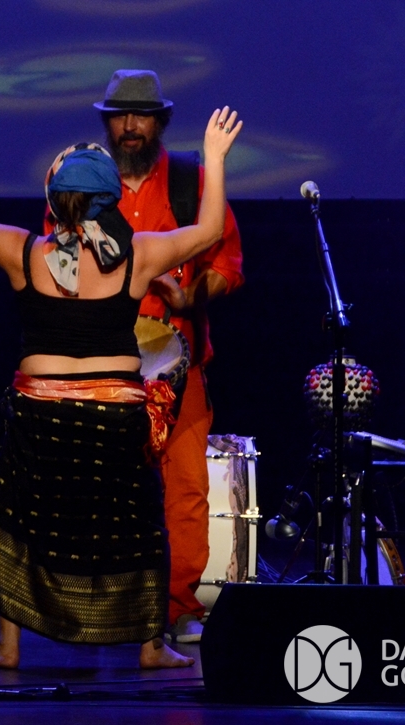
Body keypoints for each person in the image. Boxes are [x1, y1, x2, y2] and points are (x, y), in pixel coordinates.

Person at [0, 102, 241, 668]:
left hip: (40, 415)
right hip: (113, 416)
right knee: (139, 523)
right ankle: (151, 648)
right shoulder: (137, 255)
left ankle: (9, 646)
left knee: (17, 520)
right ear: (109, 199)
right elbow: (210, 231)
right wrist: (214, 156)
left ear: (53, 197)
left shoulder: (25, 251)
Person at [86, 69, 245, 642]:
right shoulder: (84, 183)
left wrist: (191, 295)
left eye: (142, 116)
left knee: (185, 489)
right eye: (120, 117)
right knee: (104, 488)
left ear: (160, 123)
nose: (130, 126)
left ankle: (179, 607)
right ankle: (107, 603)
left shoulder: (189, 182)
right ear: (107, 123)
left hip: (179, 365)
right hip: (102, 364)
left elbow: (227, 265)